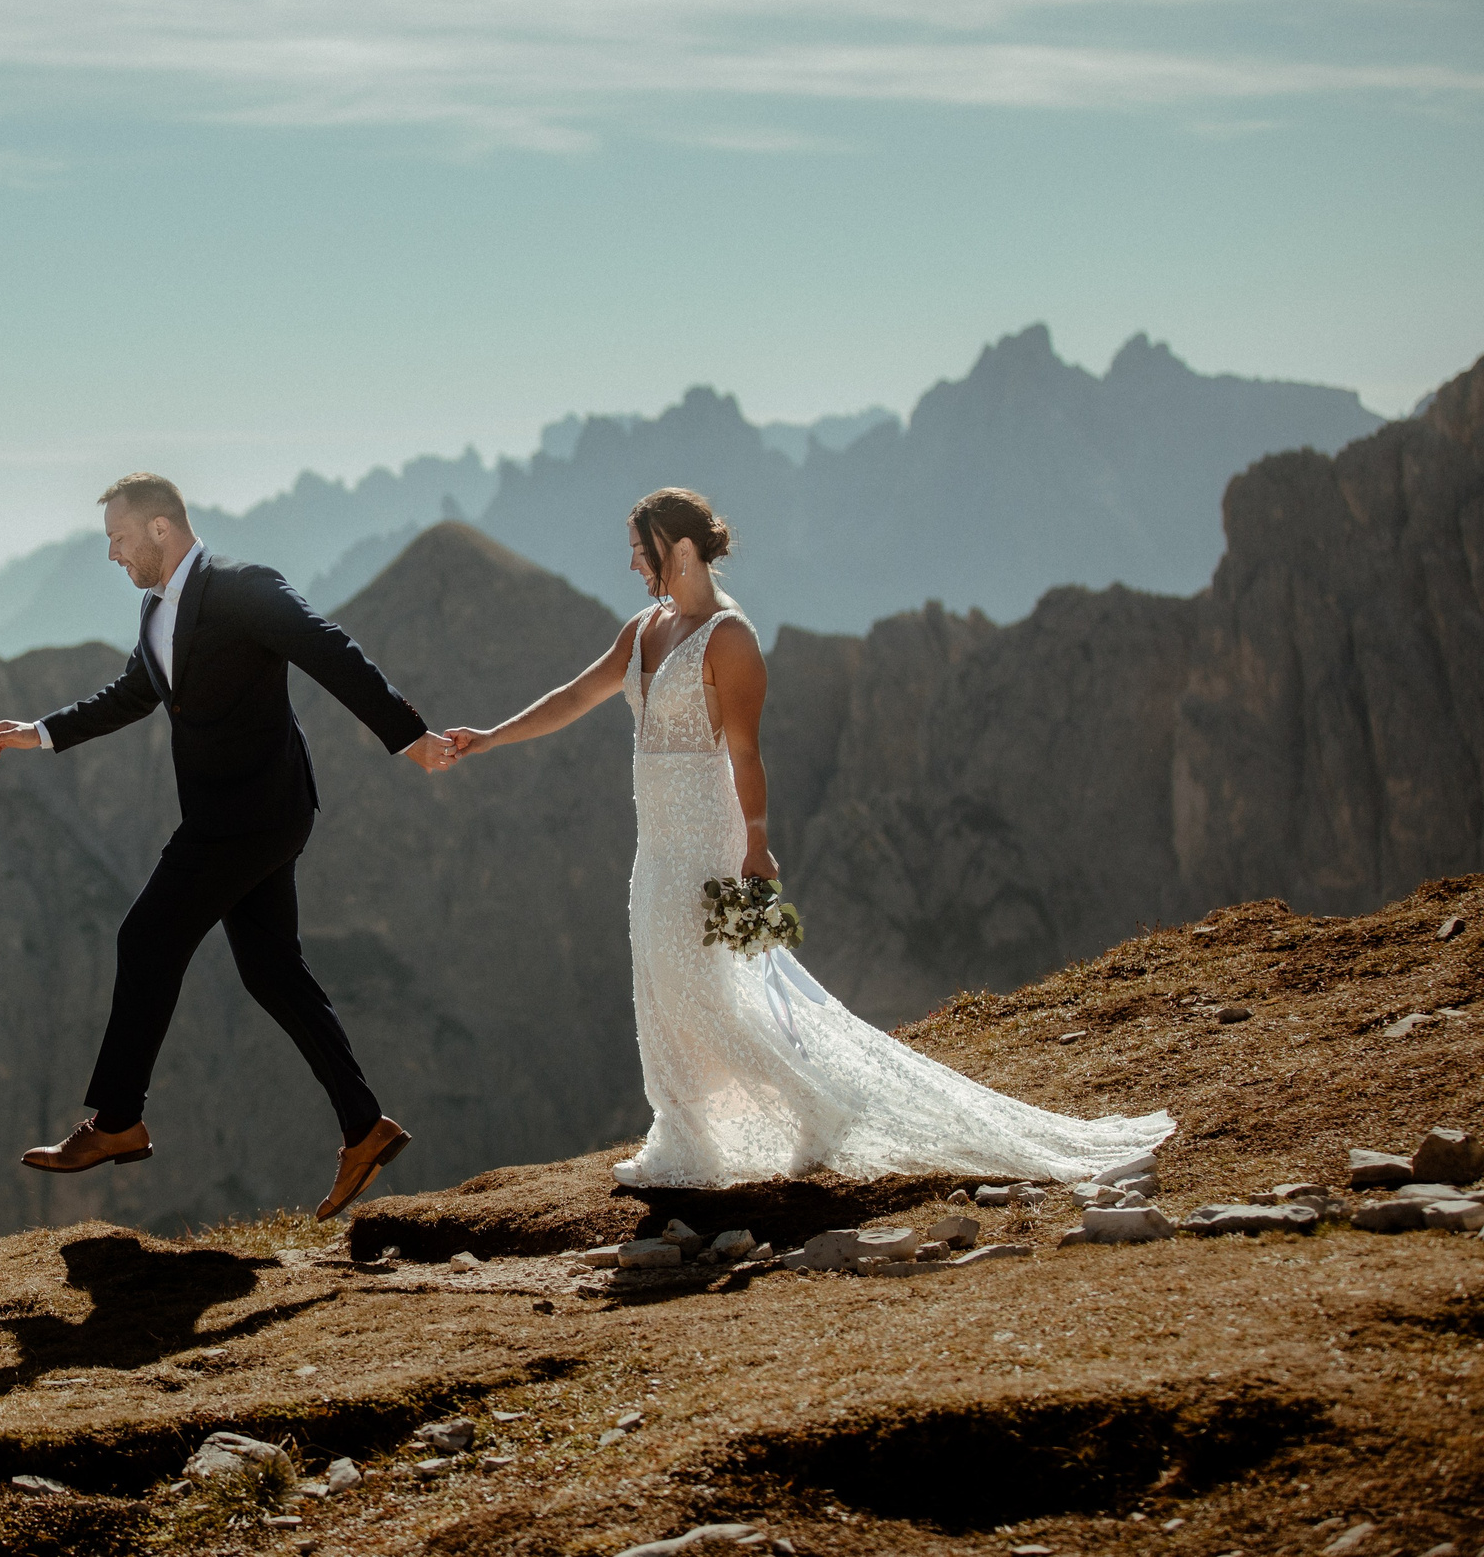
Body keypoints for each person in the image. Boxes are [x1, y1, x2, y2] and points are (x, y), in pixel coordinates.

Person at [443, 487, 1173, 1188]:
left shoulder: (730, 640)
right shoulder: (641, 631)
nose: (632, 565)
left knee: (709, 992)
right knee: (661, 987)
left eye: (641, 550)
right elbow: (576, 695)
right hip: (655, 844)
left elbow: (747, 755)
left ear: (683, 549)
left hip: (706, 840)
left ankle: (817, 1108)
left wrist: (756, 846)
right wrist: (491, 736)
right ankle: (684, 1135)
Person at [0, 472, 460, 1219]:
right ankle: (365, 1128)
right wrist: (41, 730)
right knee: (272, 970)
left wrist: (409, 737)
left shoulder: (241, 587)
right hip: (234, 817)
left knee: (146, 937)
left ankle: (117, 1122)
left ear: (161, 528)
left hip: (253, 817)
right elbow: (137, 689)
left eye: (118, 537)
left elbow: (328, 648)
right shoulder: (153, 610)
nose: (111, 553)